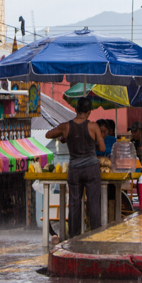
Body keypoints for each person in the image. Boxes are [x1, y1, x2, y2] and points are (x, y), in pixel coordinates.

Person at [46, 97, 106, 238]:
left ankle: (73, 238)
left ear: (75, 110)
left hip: (74, 170)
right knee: (93, 204)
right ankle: (95, 236)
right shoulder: (93, 126)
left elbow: (48, 134)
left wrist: (64, 136)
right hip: (92, 169)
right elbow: (102, 148)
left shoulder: (66, 127)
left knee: (74, 203)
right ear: (89, 112)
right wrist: (92, 144)